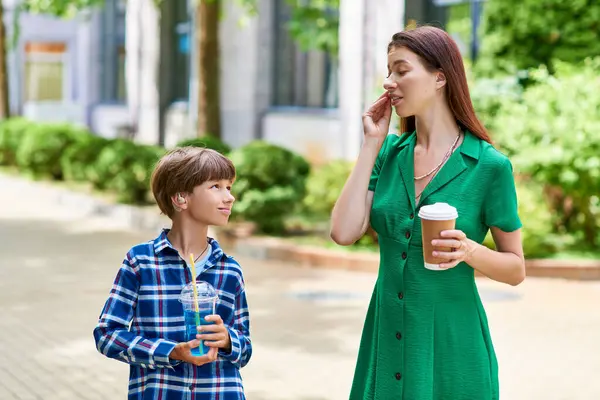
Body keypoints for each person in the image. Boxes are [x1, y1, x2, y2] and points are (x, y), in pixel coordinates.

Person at [330, 26, 525, 400]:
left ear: (439, 77)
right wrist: (371, 144)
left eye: (401, 70)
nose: (389, 82)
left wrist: (469, 251)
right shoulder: (388, 154)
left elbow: (516, 269)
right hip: (386, 341)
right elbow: (343, 232)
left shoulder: (489, 166)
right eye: (388, 72)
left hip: (453, 348)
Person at [93, 147, 252, 399]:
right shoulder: (141, 262)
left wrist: (228, 340)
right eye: (216, 187)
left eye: (229, 187)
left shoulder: (229, 269)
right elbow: (107, 335)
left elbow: (245, 348)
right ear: (181, 198)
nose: (229, 197)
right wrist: (172, 351)